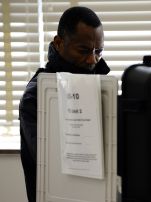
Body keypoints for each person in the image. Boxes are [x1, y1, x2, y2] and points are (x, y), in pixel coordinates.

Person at [19, 6, 110, 202]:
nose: (92, 59)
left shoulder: (100, 87)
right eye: (83, 50)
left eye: (98, 51)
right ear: (59, 43)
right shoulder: (37, 96)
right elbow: (51, 163)